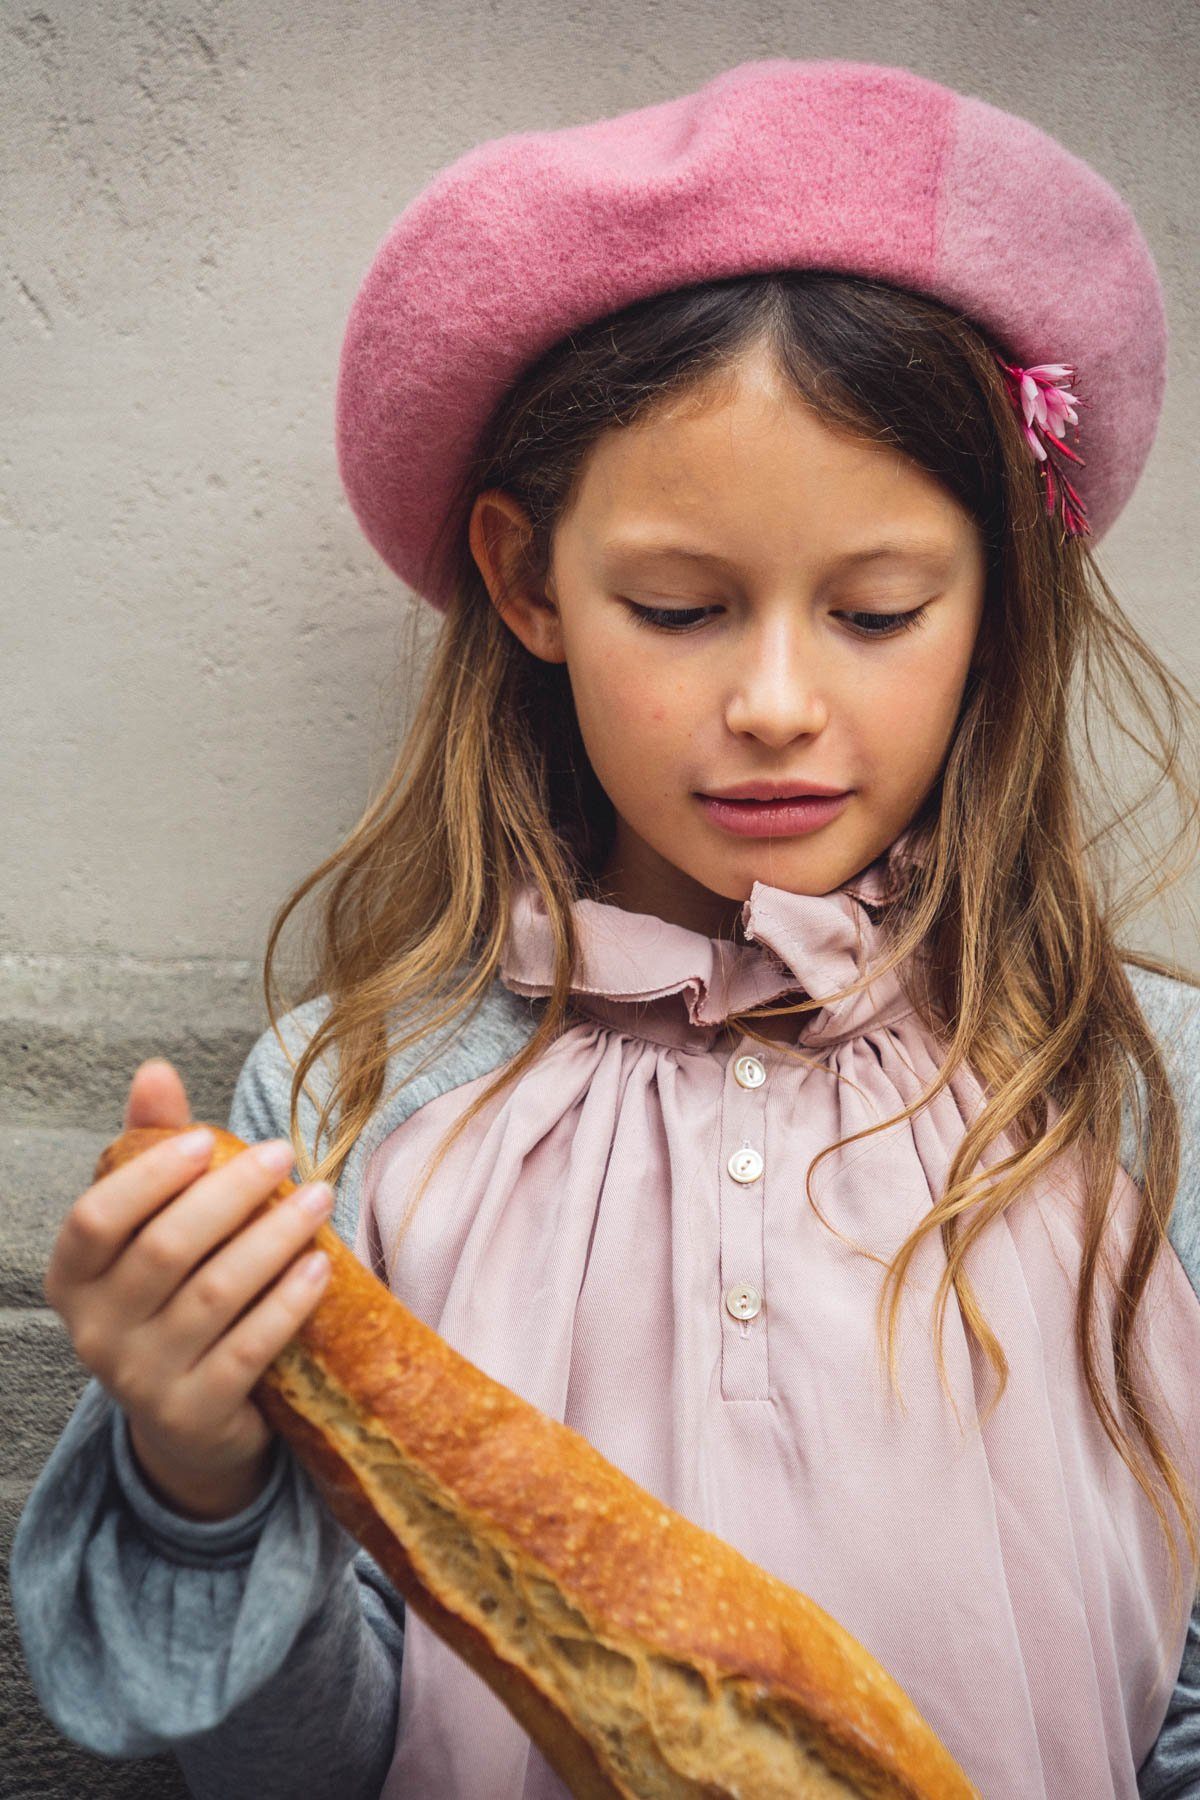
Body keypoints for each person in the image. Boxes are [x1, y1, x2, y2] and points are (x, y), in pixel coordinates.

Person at [9, 55, 1200, 1800]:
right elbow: (297, 1770)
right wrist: (199, 1464)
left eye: (876, 611)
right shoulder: (352, 1106)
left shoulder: (1141, 1091)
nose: (778, 701)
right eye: (680, 606)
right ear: (524, 582)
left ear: (998, 595)